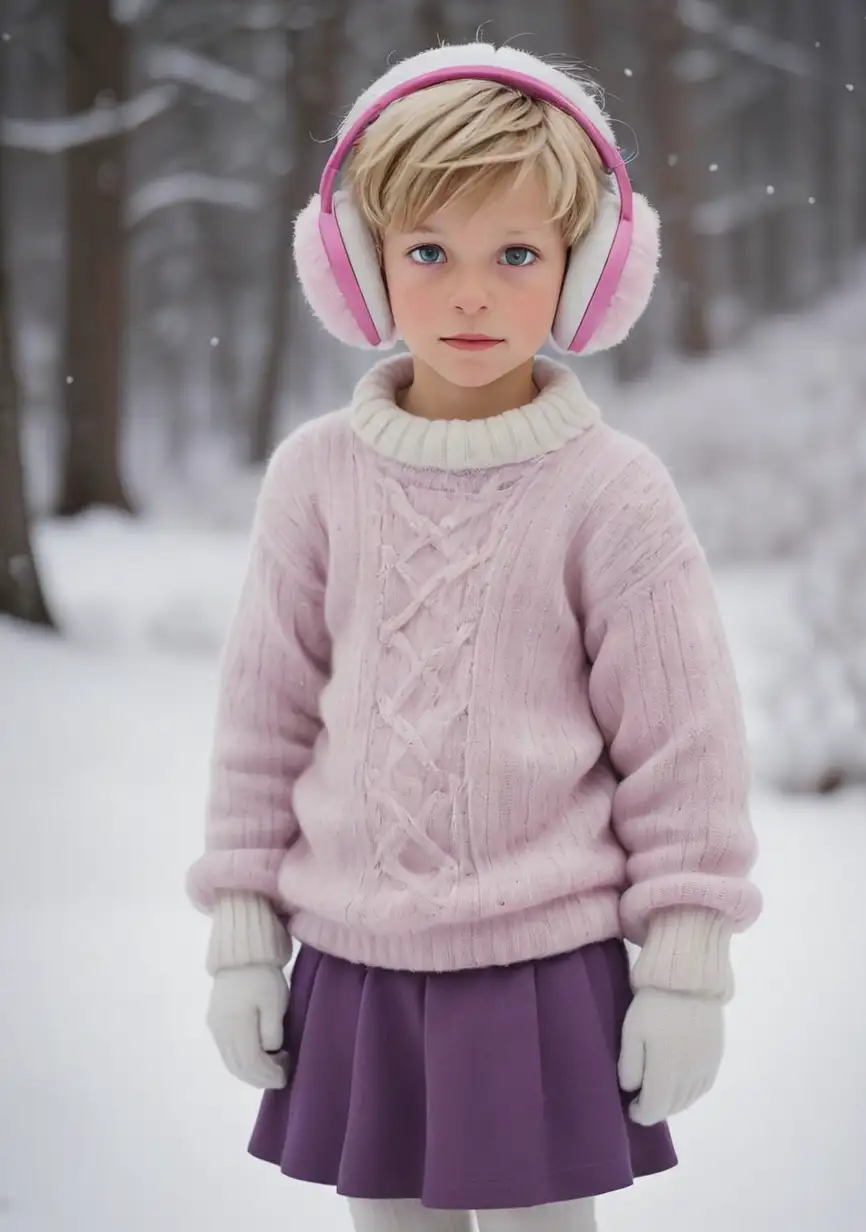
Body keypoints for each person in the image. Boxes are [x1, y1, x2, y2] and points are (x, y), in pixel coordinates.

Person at [185, 40, 763, 1232]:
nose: (469, 293)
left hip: (542, 967)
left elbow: (684, 748)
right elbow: (264, 721)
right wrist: (244, 938)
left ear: (583, 273)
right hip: (356, 962)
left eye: (516, 254)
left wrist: (687, 963)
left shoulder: (612, 490)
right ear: (362, 266)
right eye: (428, 252)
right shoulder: (314, 479)